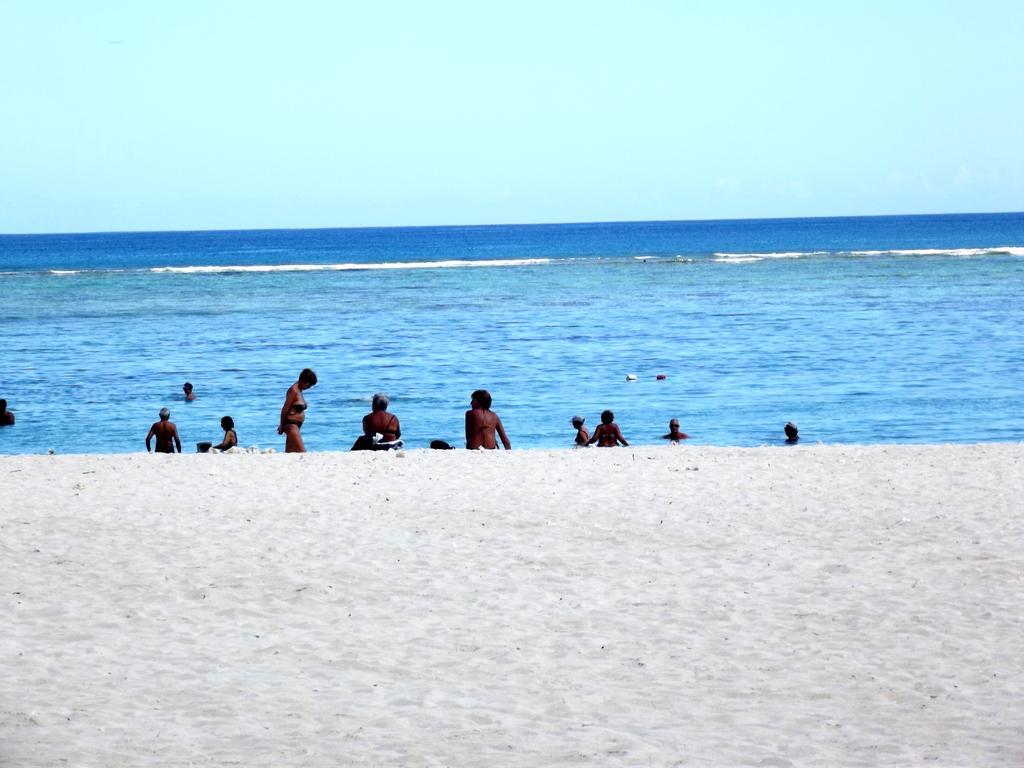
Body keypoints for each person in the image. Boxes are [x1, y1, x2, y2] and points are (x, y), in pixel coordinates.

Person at [278, 368, 317, 453]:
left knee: (290, 454)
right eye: (308, 385)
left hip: (296, 427)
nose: (309, 387)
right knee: (303, 452)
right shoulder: (293, 390)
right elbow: (285, 409)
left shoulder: (299, 390)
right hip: (291, 426)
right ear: (303, 381)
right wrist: (281, 425)